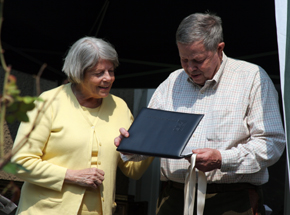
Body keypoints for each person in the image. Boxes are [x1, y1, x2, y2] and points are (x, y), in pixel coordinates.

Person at [115, 13, 286, 215]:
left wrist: (222, 159)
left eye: (197, 60)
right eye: (183, 59)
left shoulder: (253, 78)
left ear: (219, 49)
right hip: (175, 197)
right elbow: (154, 137)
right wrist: (132, 144)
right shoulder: (172, 81)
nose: (189, 68)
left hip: (232, 200)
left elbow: (270, 144)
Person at [11, 36, 153, 215]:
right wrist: (71, 176)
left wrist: (153, 144)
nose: (108, 78)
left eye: (111, 71)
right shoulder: (47, 103)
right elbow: (19, 162)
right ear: (78, 73)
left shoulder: (120, 107)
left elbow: (133, 170)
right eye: (99, 73)